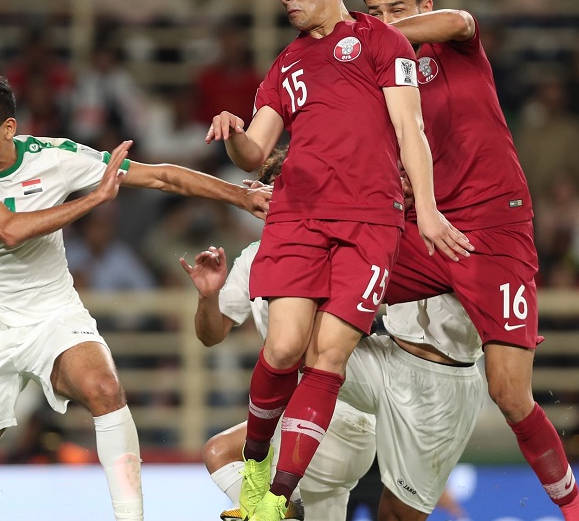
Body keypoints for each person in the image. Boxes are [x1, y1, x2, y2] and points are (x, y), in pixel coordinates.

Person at [206, 0, 472, 521]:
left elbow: (410, 130)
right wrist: (234, 134)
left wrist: (427, 209)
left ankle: (275, 502)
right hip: (297, 215)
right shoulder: (287, 63)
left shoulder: (383, 41)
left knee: (326, 357)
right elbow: (255, 154)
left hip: (370, 221)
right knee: (282, 348)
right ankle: (255, 474)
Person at [0, 74, 270, 521]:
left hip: (53, 314)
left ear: (8, 128)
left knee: (104, 388)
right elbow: (8, 230)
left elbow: (162, 177)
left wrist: (240, 196)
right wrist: (94, 201)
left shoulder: (55, 156)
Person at [362, 0, 579, 519]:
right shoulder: (374, 80)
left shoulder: (454, 45)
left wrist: (366, 36)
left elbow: (460, 20)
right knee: (325, 288)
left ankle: (578, 515)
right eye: (375, 14)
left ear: (424, 6)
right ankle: (285, 462)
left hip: (492, 229)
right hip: (425, 229)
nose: (385, 22)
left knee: (510, 394)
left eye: (397, 10)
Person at [180, 148, 484, 521]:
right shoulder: (254, 258)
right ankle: (287, 507)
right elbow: (211, 335)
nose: (284, 202)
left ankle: (284, 510)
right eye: (277, 191)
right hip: (316, 423)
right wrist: (208, 297)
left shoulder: (343, 247)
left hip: (343, 416)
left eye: (296, 190)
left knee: (220, 452)